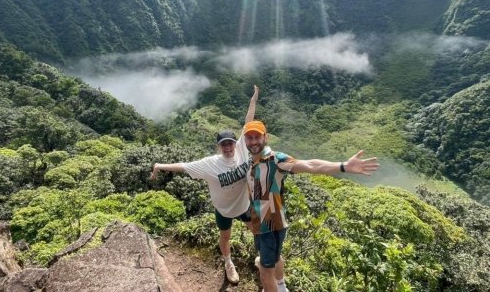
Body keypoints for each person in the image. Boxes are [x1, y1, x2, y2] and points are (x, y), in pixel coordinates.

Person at [243, 120, 379, 292]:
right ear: (245, 141)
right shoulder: (250, 163)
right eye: (249, 138)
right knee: (274, 258)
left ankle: (274, 286)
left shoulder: (275, 159)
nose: (253, 141)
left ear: (266, 137)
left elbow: (310, 165)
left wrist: (343, 166)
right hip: (259, 225)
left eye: (257, 137)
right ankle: (281, 286)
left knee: (264, 273)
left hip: (271, 226)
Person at [149, 85, 259, 284]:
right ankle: (228, 262)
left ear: (236, 143)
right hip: (224, 209)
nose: (228, 147)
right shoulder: (209, 164)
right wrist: (158, 166)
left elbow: (248, 122)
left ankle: (263, 263)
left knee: (257, 232)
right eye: (223, 144)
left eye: (230, 143)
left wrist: (254, 99)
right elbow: (183, 166)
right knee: (225, 237)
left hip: (244, 206)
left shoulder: (242, 149)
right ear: (219, 146)